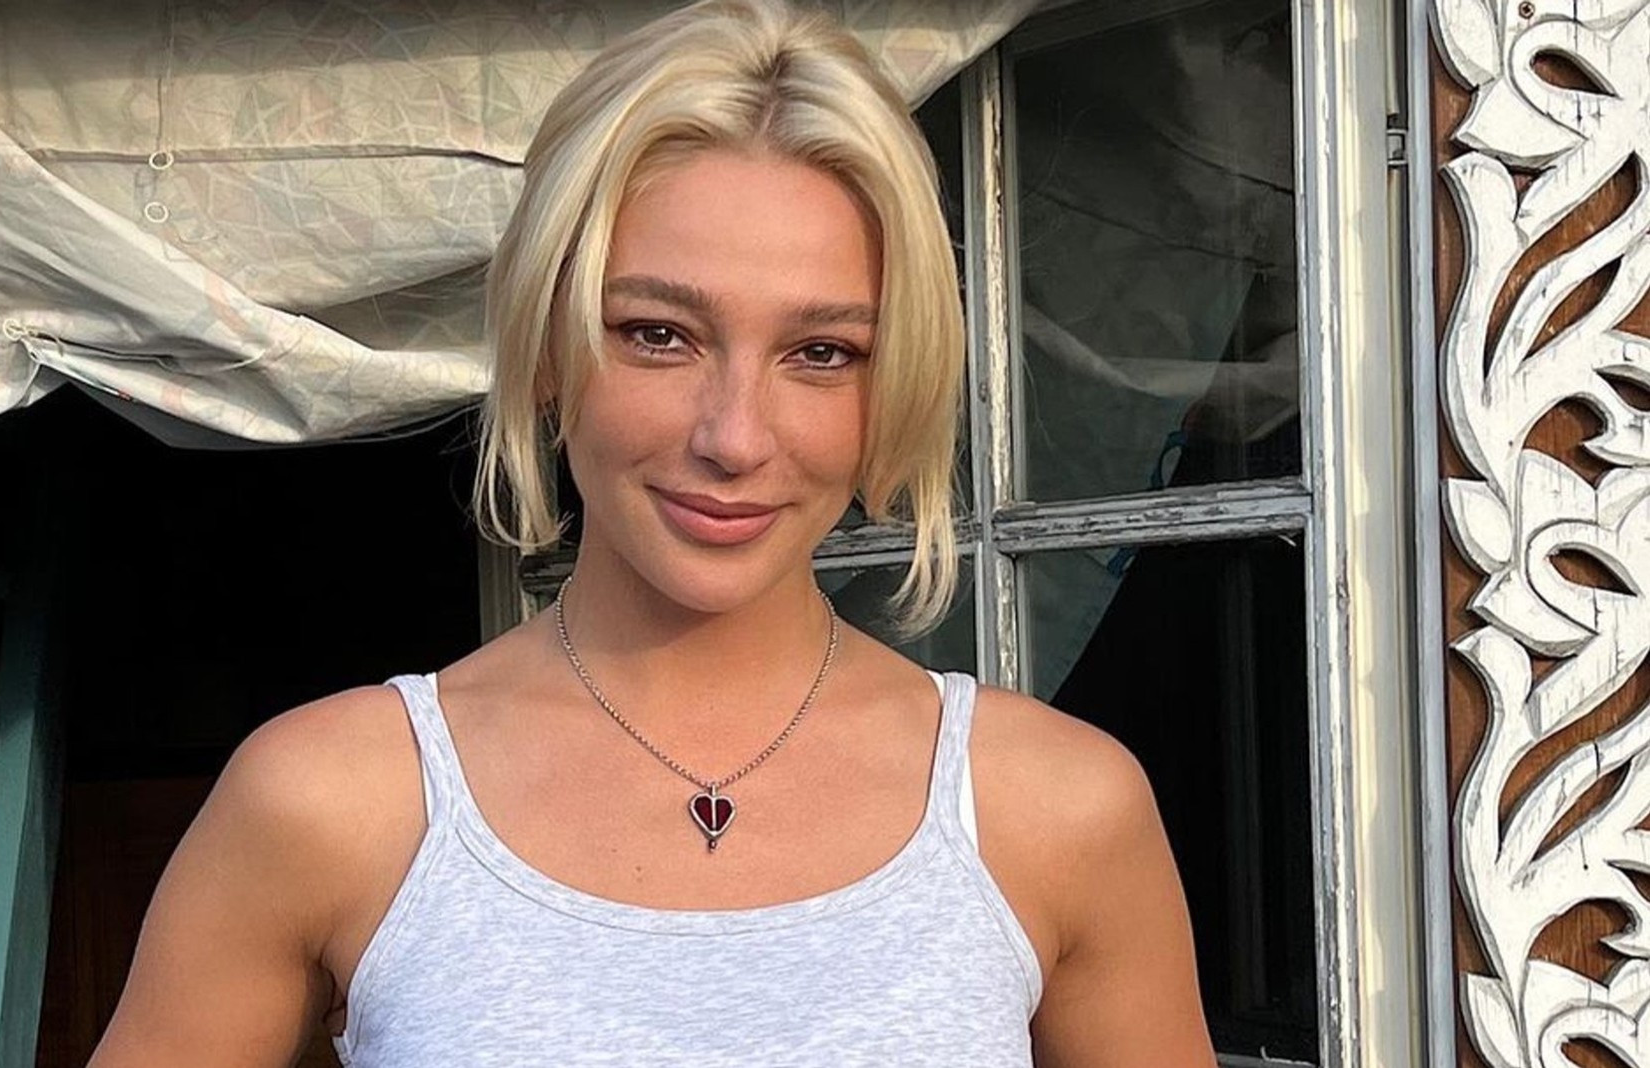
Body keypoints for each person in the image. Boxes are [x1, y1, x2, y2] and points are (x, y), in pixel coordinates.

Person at [88, 0, 1215, 1064]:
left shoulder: (1057, 810)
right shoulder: (329, 800)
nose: (734, 437)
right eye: (658, 334)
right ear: (546, 346)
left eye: (822, 352)